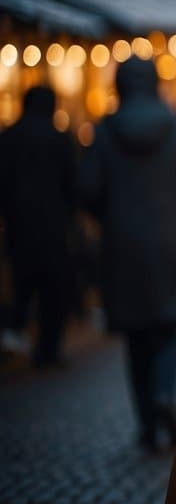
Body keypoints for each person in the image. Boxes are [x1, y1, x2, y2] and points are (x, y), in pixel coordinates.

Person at [79, 57, 176, 453]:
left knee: (135, 337)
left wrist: (112, 216)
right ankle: (163, 395)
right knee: (169, 329)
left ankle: (145, 421)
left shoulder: (105, 132)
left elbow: (88, 189)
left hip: (121, 246)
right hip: (174, 243)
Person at [0, 86, 78, 368]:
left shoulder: (8, 138)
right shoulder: (59, 139)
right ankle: (47, 349)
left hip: (18, 226)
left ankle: (15, 334)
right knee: (52, 292)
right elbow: (73, 184)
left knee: (21, 284)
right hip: (53, 227)